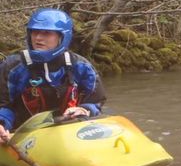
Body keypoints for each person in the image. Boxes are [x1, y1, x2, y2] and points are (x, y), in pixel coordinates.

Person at [0, 8, 106, 144]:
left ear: (62, 37)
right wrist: (2, 123)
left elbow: (96, 100)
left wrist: (85, 109)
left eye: (46, 33)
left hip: (70, 132)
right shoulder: (13, 67)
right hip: (22, 135)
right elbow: (3, 104)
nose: (38, 38)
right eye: (35, 32)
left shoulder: (81, 66)